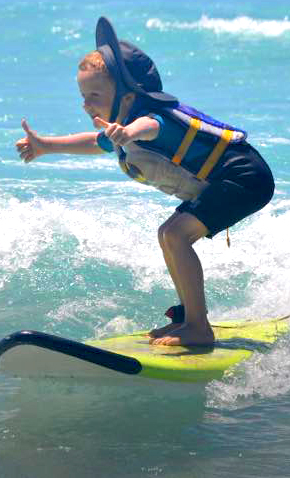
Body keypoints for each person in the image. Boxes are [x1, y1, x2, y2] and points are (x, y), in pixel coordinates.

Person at [16, 17, 274, 346]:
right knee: (169, 235)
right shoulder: (119, 125)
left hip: (245, 176)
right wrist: (45, 146)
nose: (86, 103)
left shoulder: (151, 120)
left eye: (95, 94)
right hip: (231, 179)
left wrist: (127, 132)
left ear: (127, 96)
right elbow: (95, 143)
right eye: (83, 95)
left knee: (175, 234)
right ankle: (189, 318)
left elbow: (150, 128)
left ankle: (198, 327)